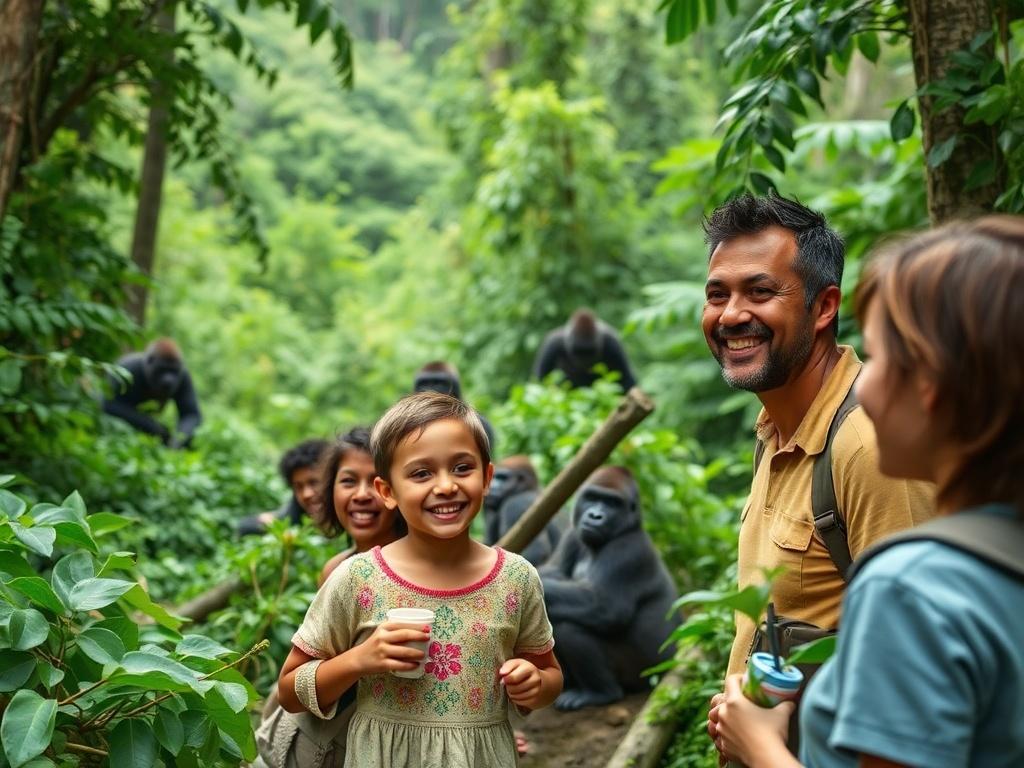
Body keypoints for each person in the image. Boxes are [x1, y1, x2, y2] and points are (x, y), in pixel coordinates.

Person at [714, 217, 1024, 768]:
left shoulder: (907, 574)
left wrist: (759, 746)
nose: (868, 384)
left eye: (887, 360)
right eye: (718, 293)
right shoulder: (774, 429)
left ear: (940, 387)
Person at [700, 195, 934, 758]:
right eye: (717, 295)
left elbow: (913, 684)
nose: (731, 315)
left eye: (760, 292)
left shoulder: (868, 445)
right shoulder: (776, 429)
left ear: (823, 305)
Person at [277, 392, 562, 767]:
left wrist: (535, 685)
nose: (445, 486)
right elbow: (289, 690)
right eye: (421, 473)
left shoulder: (516, 578)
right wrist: (359, 660)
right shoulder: (357, 578)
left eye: (462, 468)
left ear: (487, 477)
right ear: (388, 492)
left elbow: (550, 672)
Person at [254, 427, 406, 768]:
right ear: (330, 490)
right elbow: (305, 673)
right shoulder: (337, 568)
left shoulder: (417, 571)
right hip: (316, 735)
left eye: (376, 481)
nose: (363, 494)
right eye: (349, 481)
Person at [102, 338, 201, 448]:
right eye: (163, 370)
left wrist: (179, 440)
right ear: (149, 362)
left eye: (172, 372)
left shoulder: (182, 375)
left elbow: (191, 414)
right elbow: (107, 404)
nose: (168, 380)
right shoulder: (129, 369)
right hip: (117, 426)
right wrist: (151, 427)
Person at [237, 439, 329, 538]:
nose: (306, 494)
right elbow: (245, 526)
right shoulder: (296, 512)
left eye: (314, 483)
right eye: (298, 487)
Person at [533, 309, 637, 391]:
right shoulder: (555, 342)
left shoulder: (610, 341)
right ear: (568, 344)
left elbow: (628, 382)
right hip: (566, 394)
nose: (584, 362)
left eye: (589, 352)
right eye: (580, 352)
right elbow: (539, 381)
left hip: (603, 392)